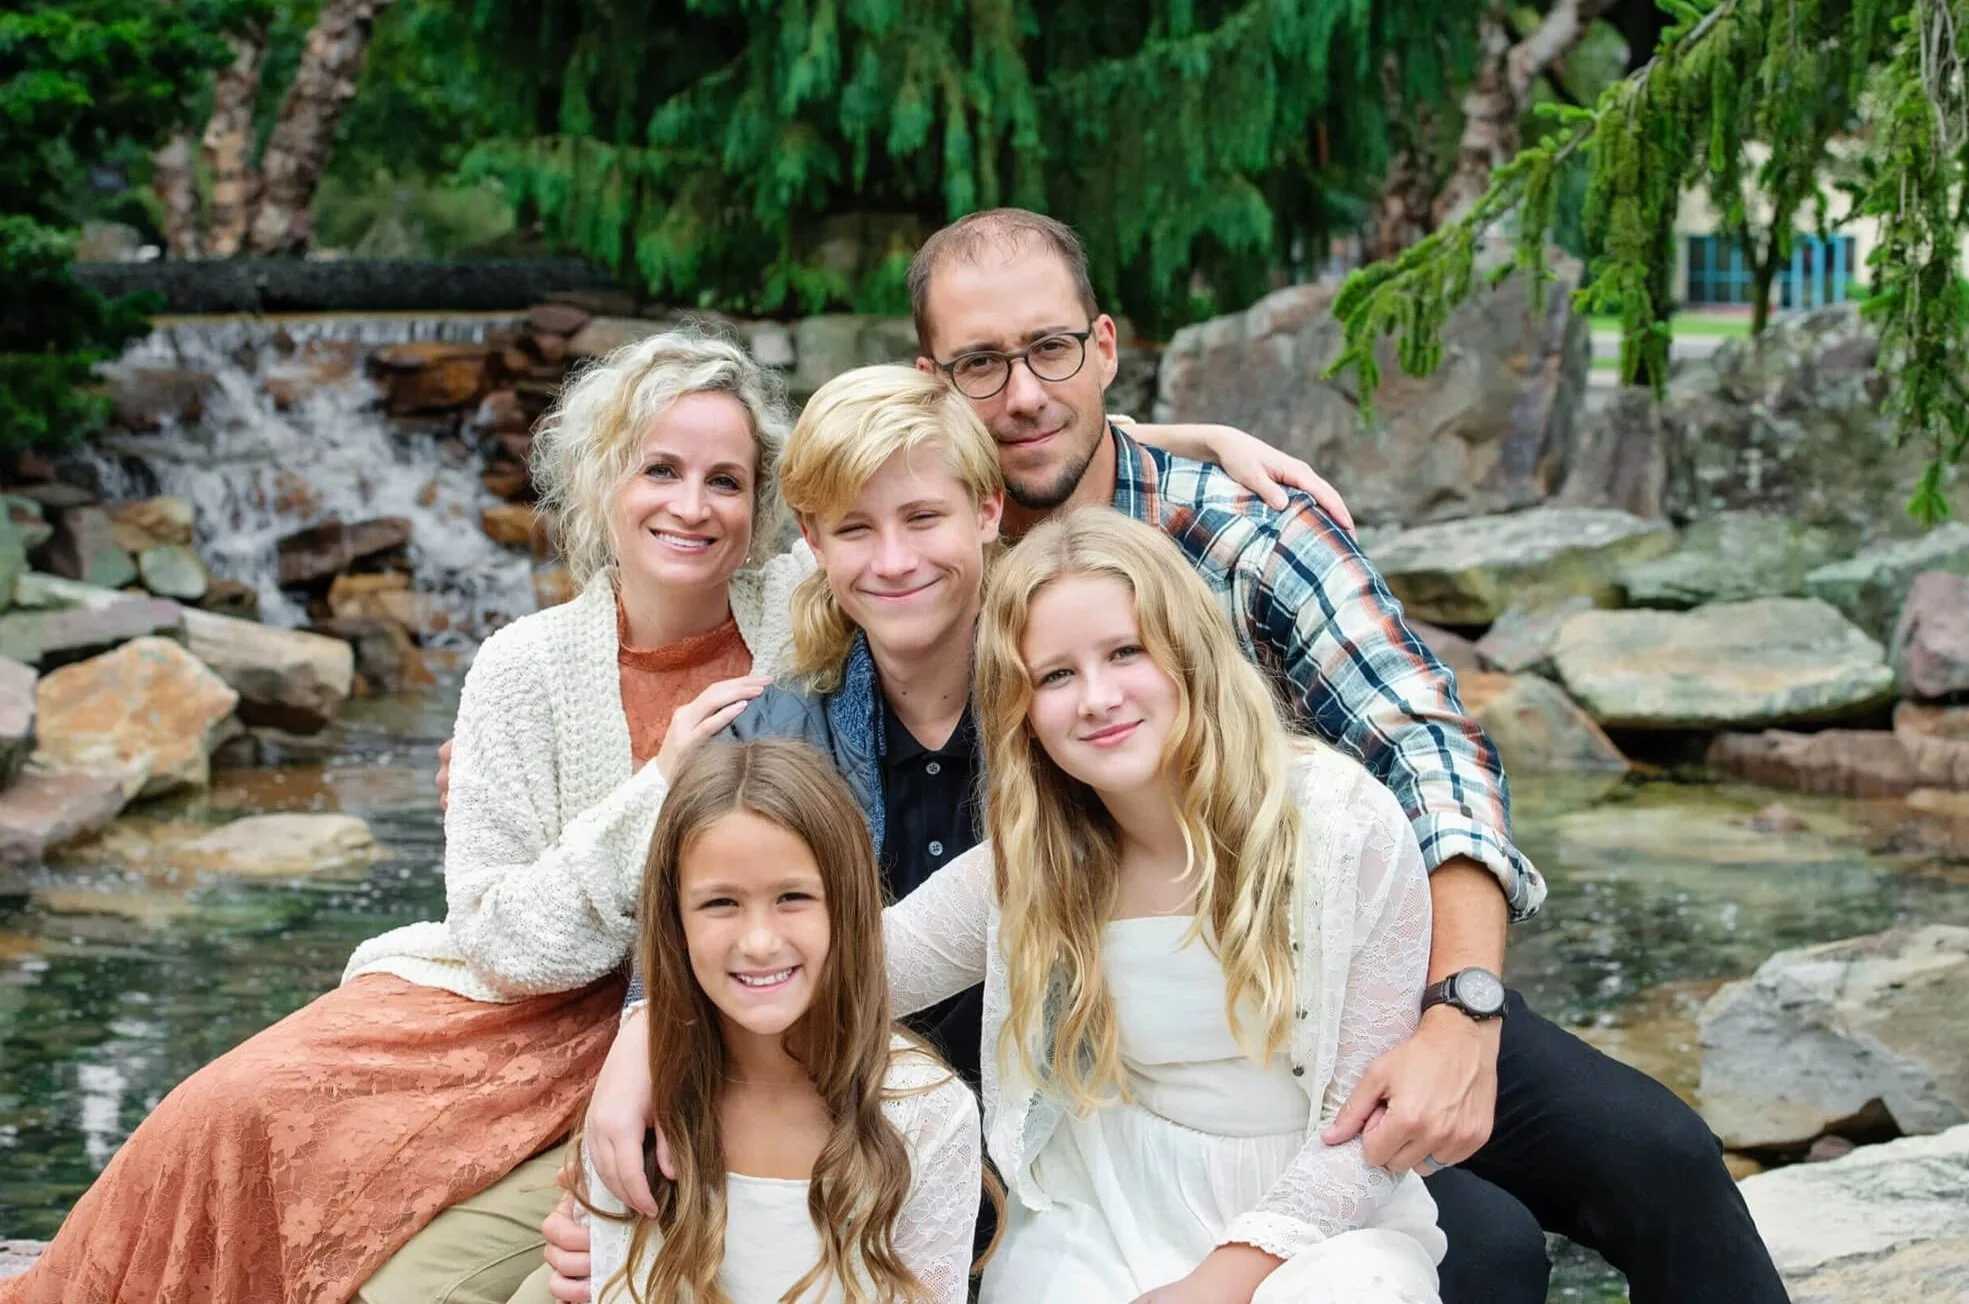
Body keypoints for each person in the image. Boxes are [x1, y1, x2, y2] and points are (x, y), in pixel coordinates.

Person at [0, 328, 810, 1304]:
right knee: (224, 1108)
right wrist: (661, 781)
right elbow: (502, 937)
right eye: (660, 469)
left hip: (685, 1026)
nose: (692, 504)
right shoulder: (523, 664)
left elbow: (911, 536)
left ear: (761, 501)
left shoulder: (804, 619)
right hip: (503, 1011)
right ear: (603, 482)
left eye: (725, 479)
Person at [877, 507, 1443, 1302]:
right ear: (1023, 712)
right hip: (1104, 1209)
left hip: (1319, 1221)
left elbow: (1368, 1130)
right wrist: (659, 1026)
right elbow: (853, 975)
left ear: (1186, 653)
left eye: (1124, 653)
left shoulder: (1343, 827)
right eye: (1055, 675)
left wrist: (1215, 1284)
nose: (1097, 698)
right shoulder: (1032, 863)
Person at [579, 737, 985, 1304]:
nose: (761, 941)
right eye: (720, 903)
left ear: (845, 906)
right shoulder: (634, 1113)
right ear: (675, 923)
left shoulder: (928, 1112)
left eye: (793, 897)